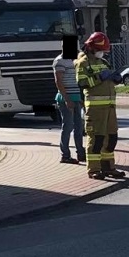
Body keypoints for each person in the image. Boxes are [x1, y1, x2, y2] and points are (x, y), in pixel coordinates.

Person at [77, 32, 123, 178]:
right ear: (91, 48)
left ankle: (108, 167)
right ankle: (94, 170)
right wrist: (99, 78)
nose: (101, 53)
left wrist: (116, 79)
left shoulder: (103, 62)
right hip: (95, 109)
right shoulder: (82, 63)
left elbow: (108, 81)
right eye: (99, 50)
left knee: (111, 138)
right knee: (97, 140)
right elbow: (82, 83)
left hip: (110, 108)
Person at [52, 35, 85, 165]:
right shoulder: (59, 61)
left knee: (79, 126)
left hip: (77, 97)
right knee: (68, 126)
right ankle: (65, 154)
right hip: (66, 98)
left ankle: (80, 153)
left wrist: (81, 98)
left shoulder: (77, 60)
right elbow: (58, 81)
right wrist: (67, 99)